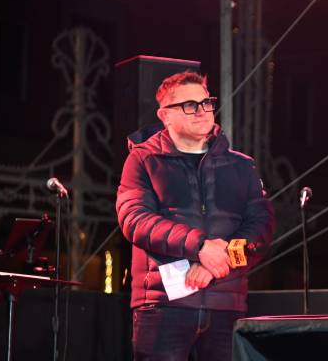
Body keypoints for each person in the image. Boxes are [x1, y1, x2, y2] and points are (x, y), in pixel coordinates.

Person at [116, 71, 274, 360]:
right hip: (163, 305)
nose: (202, 111)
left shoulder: (242, 166)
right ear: (165, 116)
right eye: (190, 105)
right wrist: (200, 247)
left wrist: (218, 263)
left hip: (226, 307)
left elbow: (261, 229)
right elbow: (135, 219)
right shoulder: (142, 160)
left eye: (207, 103)